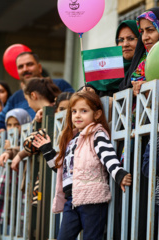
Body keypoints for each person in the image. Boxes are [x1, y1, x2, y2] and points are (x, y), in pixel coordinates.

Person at [31, 91, 132, 239]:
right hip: (71, 200)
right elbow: (61, 169)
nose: (77, 115)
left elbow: (108, 155)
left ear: (96, 114)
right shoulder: (72, 140)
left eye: (84, 111)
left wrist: (119, 174)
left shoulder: (97, 134)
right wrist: (47, 150)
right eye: (74, 111)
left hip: (92, 199)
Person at [0, 52, 74, 137]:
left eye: (29, 64)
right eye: (21, 67)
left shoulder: (60, 84)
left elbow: (75, 106)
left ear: (39, 67)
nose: (25, 69)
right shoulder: (15, 98)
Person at [119, 7, 159, 93]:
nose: (145, 38)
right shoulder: (141, 61)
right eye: (142, 32)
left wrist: (150, 87)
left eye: (150, 30)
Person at [8, 77, 62, 171]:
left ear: (33, 95)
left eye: (27, 99)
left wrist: (20, 155)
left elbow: (29, 143)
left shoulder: (57, 113)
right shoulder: (47, 114)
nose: (28, 105)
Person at [0, 108, 31, 224]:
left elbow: (25, 150)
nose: (12, 128)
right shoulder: (6, 138)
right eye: (9, 125)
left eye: (17, 124)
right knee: (9, 211)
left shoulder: (28, 138)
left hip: (24, 179)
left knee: (22, 212)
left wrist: (11, 148)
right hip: (10, 181)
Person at [89, 20, 139, 97]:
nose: (125, 44)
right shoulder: (109, 67)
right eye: (121, 40)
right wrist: (88, 90)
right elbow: (91, 86)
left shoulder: (145, 65)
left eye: (131, 39)